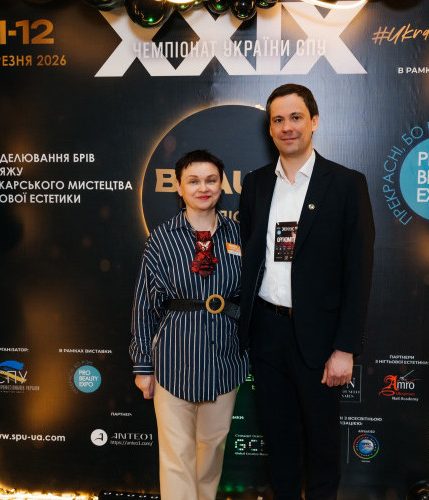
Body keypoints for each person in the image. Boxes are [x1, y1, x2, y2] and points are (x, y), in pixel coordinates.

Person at [239, 84, 375, 500]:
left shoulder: (347, 184)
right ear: (270, 129)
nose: (287, 127)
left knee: (321, 440)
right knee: (278, 437)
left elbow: (359, 272)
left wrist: (345, 348)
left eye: (296, 117)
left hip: (320, 338)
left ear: (314, 121)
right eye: (278, 120)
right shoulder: (256, 184)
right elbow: (250, 256)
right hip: (266, 332)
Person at [130, 149, 249, 500]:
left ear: (221, 185)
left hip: (224, 361)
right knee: (176, 456)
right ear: (179, 188)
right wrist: (143, 366)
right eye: (193, 181)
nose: (203, 188)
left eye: (211, 180)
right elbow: (144, 305)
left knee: (211, 451)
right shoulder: (161, 239)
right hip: (172, 360)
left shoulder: (239, 235)